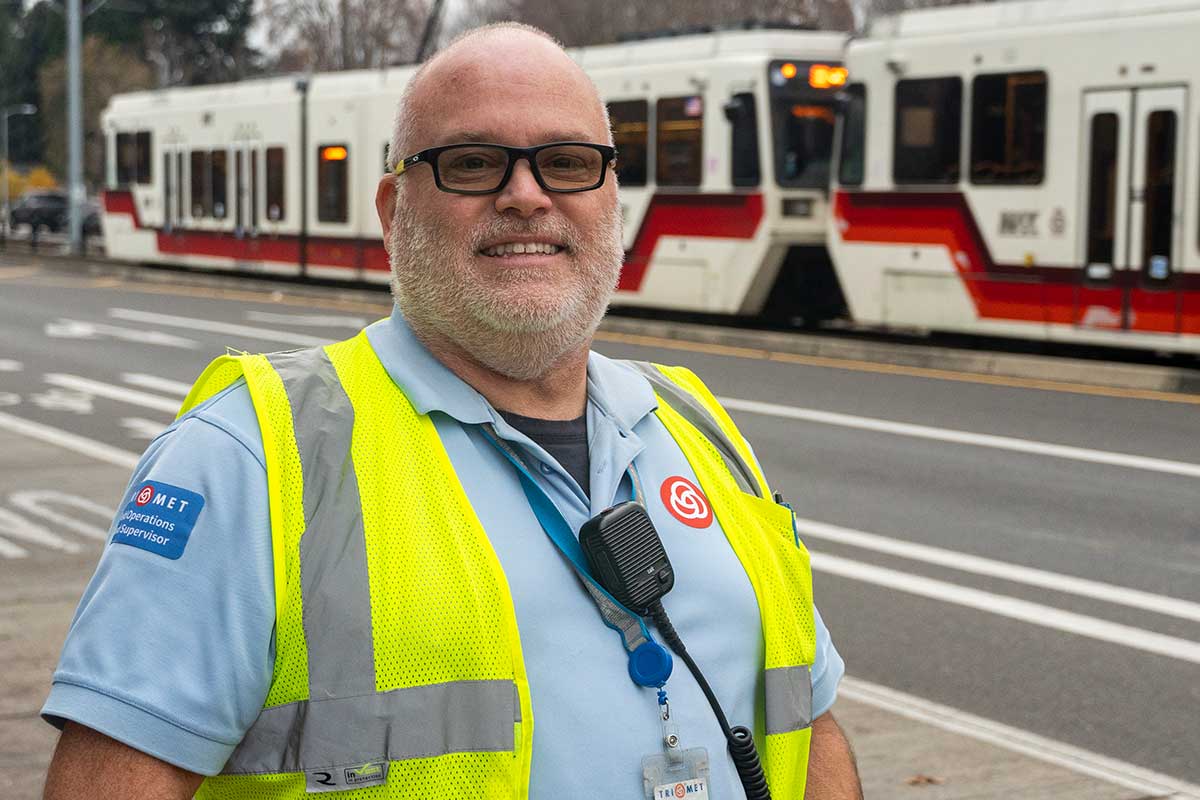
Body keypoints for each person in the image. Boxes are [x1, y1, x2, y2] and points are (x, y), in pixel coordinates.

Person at [41, 23, 862, 800]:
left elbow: (811, 728)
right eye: (473, 164)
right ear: (394, 215)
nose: (527, 196)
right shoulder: (248, 458)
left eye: (568, 163)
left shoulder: (698, 426)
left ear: (615, 200)